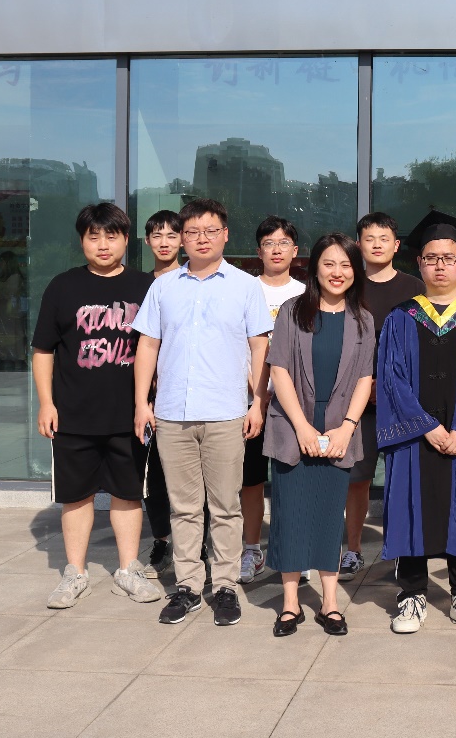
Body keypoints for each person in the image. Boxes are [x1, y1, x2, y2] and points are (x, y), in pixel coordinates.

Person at [133, 197, 273, 627]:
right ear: (182, 238)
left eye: (211, 231)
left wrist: (258, 402)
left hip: (226, 413)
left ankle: (226, 585)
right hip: (172, 414)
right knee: (183, 507)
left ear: (225, 234)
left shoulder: (245, 286)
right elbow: (148, 345)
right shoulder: (164, 287)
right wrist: (141, 403)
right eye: (192, 232)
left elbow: (259, 347)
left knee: (226, 505)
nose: (201, 239)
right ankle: (189, 587)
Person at [376, 210, 456, 634]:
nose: (439, 266)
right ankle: (411, 595)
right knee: (409, 507)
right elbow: (392, 379)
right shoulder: (400, 317)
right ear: (419, 263)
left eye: (448, 258)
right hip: (417, 435)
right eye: (431, 258)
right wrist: (426, 425)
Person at [31, 203, 163, 609]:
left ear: (125, 240)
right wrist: (46, 403)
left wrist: (149, 402)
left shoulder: (146, 287)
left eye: (111, 235)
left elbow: (159, 348)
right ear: (82, 241)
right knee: (76, 496)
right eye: (94, 236)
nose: (103, 244)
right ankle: (75, 572)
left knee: (128, 493)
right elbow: (42, 350)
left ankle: (128, 570)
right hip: (73, 414)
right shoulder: (63, 287)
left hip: (130, 415)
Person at [265, 233, 375, 637]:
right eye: (329, 263)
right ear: (315, 268)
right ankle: (290, 603)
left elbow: (364, 378)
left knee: (330, 515)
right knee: (291, 514)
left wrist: (347, 427)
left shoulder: (363, 319)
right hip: (293, 426)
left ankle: (329, 602)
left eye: (346, 264)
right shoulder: (293, 311)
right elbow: (279, 370)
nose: (337, 272)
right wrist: (302, 426)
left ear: (355, 271)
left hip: (339, 429)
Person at [341, 211, 425, 582]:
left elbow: (420, 345)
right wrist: (364, 385)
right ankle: (353, 549)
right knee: (357, 477)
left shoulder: (414, 287)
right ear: (358, 244)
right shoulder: (348, 284)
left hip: (402, 398)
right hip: (354, 400)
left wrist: (389, 384)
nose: (376, 245)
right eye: (369, 238)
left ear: (396, 245)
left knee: (402, 477)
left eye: (384, 238)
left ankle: (401, 549)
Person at [239, 216, 307, 585]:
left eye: (283, 243)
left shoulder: (306, 294)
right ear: (259, 251)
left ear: (295, 251)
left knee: (292, 479)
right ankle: (251, 549)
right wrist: (256, 395)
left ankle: (295, 549)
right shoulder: (243, 290)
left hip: (291, 403)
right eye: (269, 243)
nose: (276, 249)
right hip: (248, 402)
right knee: (250, 480)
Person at [140, 209, 183, 579]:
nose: (164, 242)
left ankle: (197, 546)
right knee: (153, 475)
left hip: (182, 394)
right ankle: (161, 541)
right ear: (147, 240)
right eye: (157, 235)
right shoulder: (137, 285)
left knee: (190, 476)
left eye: (172, 235)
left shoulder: (191, 281)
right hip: (147, 397)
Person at [0, 251, 26, 370]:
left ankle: (16, 358)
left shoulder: (15, 277)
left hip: (9, 310)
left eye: (2, 261)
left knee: (13, 333)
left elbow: (10, 293)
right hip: (1, 310)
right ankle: (4, 356)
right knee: (3, 333)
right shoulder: (2, 276)